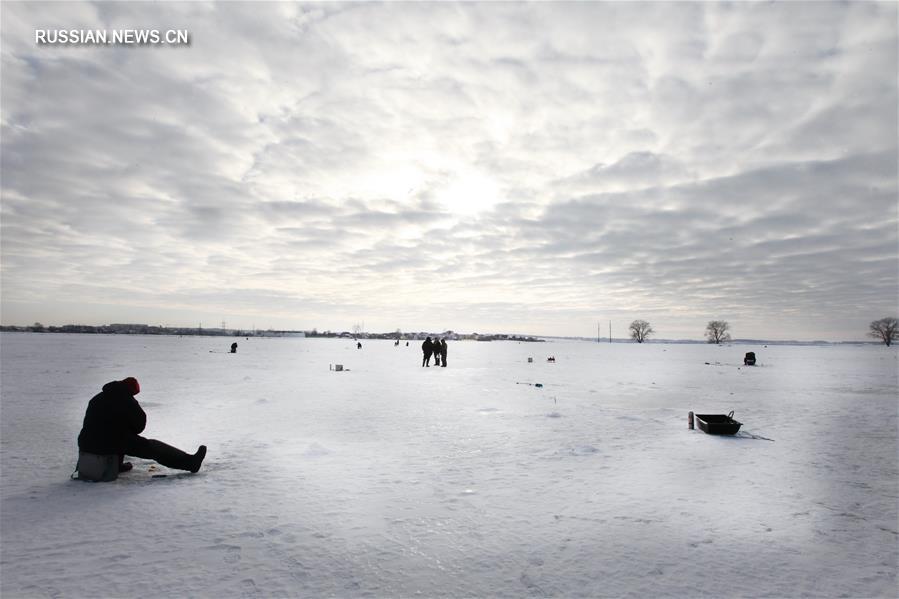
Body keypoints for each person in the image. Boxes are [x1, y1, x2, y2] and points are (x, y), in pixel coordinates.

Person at [76, 377, 206, 479]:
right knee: (152, 447)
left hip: (86, 444)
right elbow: (139, 426)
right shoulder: (128, 401)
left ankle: (116, 466)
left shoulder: (97, 398)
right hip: (109, 445)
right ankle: (191, 463)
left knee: (116, 435)